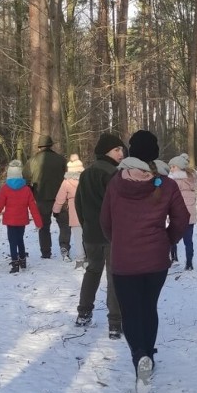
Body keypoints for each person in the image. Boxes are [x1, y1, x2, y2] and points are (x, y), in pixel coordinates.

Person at [100, 130, 189, 393]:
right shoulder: (166, 184)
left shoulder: (116, 182)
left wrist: (119, 240)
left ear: (130, 151)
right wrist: (167, 240)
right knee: (148, 307)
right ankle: (148, 353)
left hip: (124, 259)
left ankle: (139, 356)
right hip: (156, 260)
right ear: (155, 153)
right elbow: (181, 219)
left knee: (130, 311)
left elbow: (105, 221)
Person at [74, 132, 126, 337]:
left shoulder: (86, 173)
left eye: (122, 149)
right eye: (117, 149)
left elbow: (78, 203)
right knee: (114, 277)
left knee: (92, 272)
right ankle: (115, 324)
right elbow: (119, 206)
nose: (121, 153)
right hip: (111, 234)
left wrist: (86, 225)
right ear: (106, 151)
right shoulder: (114, 174)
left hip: (91, 234)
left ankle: (83, 314)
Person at [0, 160, 42, 272]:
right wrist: (38, 222)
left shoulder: (5, 189)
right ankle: (23, 260)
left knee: (12, 241)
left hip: (10, 221)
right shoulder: (26, 189)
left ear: (9, 174)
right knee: (20, 239)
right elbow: (33, 207)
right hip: (22, 220)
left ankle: (15, 264)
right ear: (20, 174)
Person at [24, 134, 67, 258]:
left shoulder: (32, 161)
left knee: (43, 226)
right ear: (51, 145)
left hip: (41, 197)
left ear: (39, 147)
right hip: (60, 196)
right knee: (64, 224)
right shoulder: (61, 159)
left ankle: (46, 252)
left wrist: (31, 193)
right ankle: (65, 247)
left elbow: (25, 179)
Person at [52, 155, 85, 267]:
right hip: (87, 211)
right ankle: (89, 257)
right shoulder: (87, 179)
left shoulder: (66, 182)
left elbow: (60, 198)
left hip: (74, 211)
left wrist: (55, 210)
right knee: (87, 235)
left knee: (77, 235)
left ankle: (80, 259)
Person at [167, 153, 197, 270]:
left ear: (179, 167)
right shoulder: (192, 178)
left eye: (173, 167)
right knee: (188, 241)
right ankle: (189, 263)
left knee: (172, 238)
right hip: (189, 216)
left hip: (177, 215)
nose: (171, 169)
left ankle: (174, 258)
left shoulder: (175, 181)